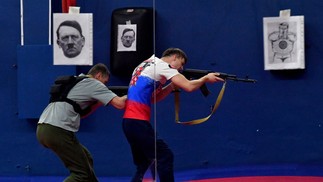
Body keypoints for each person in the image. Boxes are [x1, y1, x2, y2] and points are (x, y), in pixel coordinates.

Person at [122, 48, 224, 182]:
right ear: (174, 57)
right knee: (165, 156)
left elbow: (153, 98)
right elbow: (188, 86)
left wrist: (171, 86)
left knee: (144, 163)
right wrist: (205, 78)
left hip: (129, 122)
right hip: (138, 122)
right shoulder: (163, 67)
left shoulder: (146, 64)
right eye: (181, 64)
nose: (181, 69)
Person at [36, 63, 127, 182]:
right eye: (105, 82)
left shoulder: (77, 81)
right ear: (99, 75)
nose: (104, 86)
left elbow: (81, 114)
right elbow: (120, 104)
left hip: (44, 129)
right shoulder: (94, 84)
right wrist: (133, 93)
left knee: (86, 157)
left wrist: (99, 102)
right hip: (57, 130)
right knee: (82, 174)